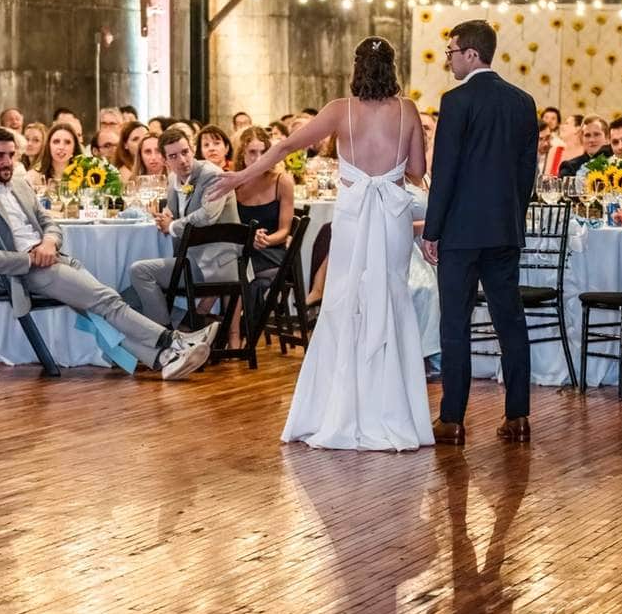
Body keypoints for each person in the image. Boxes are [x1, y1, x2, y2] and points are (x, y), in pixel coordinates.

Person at [213, 35, 430, 451]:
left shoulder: (338, 111)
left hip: (351, 217)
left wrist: (241, 176)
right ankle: (394, 413)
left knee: (343, 305)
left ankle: (336, 413)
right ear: (393, 69)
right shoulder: (407, 111)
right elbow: (418, 172)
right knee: (390, 300)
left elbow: (286, 145)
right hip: (392, 218)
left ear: (355, 70)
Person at [0, 127, 215, 379]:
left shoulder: (19, 185)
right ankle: (175, 341)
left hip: (56, 258)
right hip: (28, 271)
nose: (7, 162)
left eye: (11, 155)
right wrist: (30, 258)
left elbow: (50, 223)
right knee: (106, 300)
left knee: (98, 315)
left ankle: (162, 360)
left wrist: (49, 241)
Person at [415, 21, 541, 445]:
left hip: (461, 232)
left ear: (471, 54)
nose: (447, 59)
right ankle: (518, 416)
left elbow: (444, 169)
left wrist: (433, 229)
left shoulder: (456, 100)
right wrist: (512, 214)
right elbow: (528, 172)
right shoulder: (523, 102)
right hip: (504, 229)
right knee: (511, 322)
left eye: (451, 52)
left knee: (455, 322)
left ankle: (452, 420)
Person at [130, 129, 243, 333]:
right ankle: (180, 326)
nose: (182, 160)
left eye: (185, 152)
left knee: (140, 272)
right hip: (193, 260)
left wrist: (172, 226)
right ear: (166, 161)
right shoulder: (174, 178)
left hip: (217, 263)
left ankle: (167, 337)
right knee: (128, 293)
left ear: (192, 149)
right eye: (173, 156)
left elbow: (207, 216)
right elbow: (171, 211)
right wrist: (166, 214)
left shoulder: (213, 175)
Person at [221, 127, 296, 350]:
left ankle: (233, 336)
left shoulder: (282, 181)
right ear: (241, 154)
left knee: (239, 268)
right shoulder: (236, 183)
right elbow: (230, 226)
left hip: (273, 251)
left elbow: (285, 230)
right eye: (252, 152)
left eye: (263, 152)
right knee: (230, 263)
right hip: (243, 248)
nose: (258, 158)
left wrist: (266, 240)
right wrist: (248, 239)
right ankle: (217, 326)